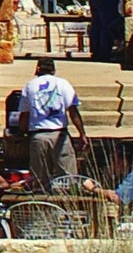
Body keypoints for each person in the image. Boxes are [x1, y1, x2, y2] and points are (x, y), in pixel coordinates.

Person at [22, 58, 88, 186]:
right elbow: (73, 111)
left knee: (39, 180)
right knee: (68, 178)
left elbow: (24, 114)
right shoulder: (63, 84)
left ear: (37, 69)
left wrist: (23, 132)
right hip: (60, 135)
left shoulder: (30, 85)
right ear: (53, 70)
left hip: (38, 136)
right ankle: (68, 201)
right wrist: (82, 134)